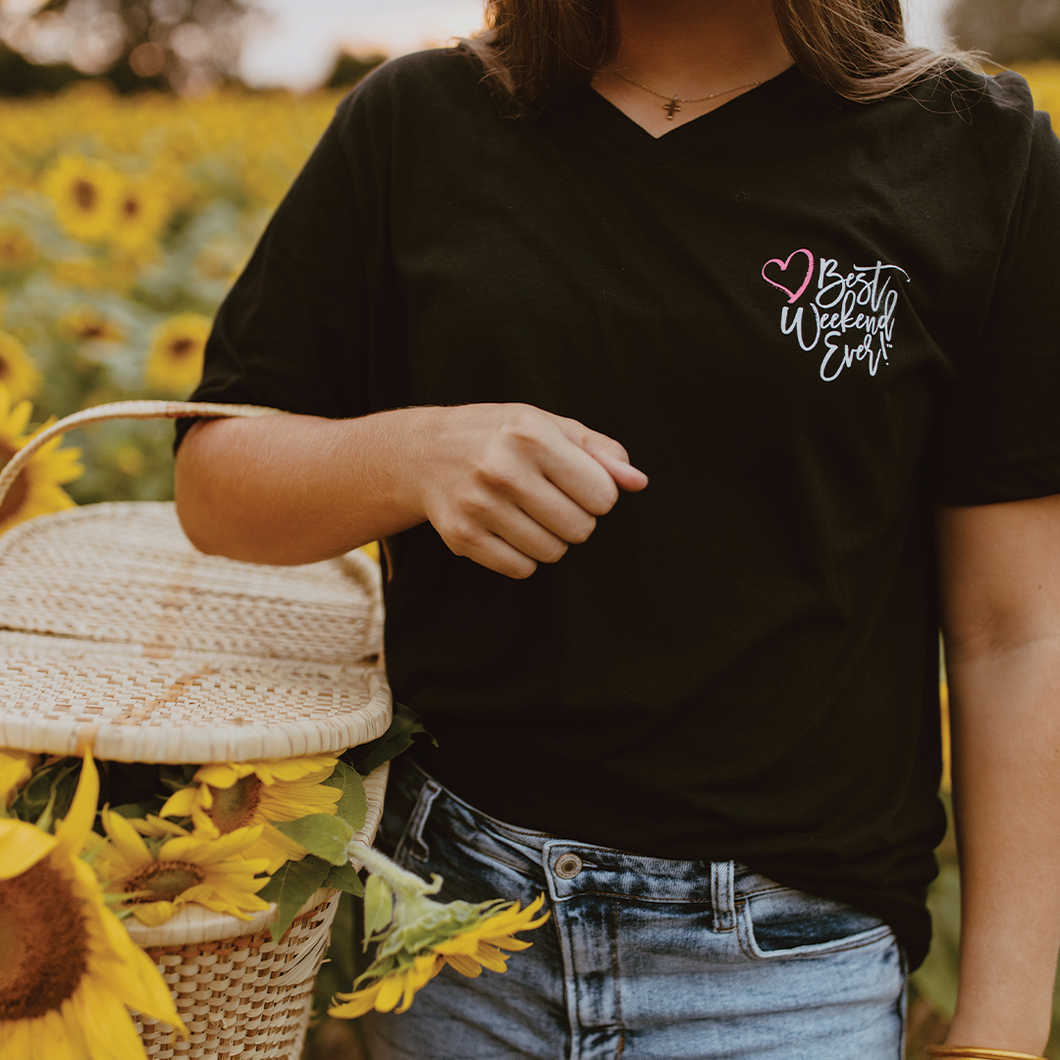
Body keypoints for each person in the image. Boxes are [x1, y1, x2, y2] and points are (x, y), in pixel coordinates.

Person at [173, 0, 1060, 1056]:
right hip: (452, 935)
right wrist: (414, 454)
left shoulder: (974, 147)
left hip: (787, 974)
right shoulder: (416, 121)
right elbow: (215, 480)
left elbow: (1017, 630)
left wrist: (1000, 1023)